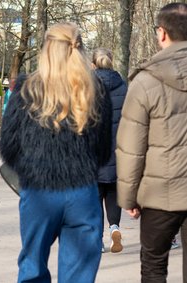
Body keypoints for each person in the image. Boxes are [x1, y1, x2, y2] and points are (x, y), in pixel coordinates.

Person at [0, 22, 112, 282]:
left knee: (33, 266)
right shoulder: (95, 91)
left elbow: (9, 146)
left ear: (46, 49)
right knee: (79, 273)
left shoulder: (27, 89)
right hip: (82, 192)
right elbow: (104, 150)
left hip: (39, 191)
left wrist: (32, 170)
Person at [116, 3, 187, 282]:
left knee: (154, 265)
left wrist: (128, 196)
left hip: (160, 192)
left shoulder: (145, 81)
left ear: (162, 33)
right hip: (163, 191)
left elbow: (131, 147)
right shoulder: (144, 79)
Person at [92, 48, 127, 253]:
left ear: (93, 64)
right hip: (117, 149)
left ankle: (98, 239)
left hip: (94, 151)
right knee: (113, 191)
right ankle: (115, 227)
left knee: (95, 196)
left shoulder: (86, 87)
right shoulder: (123, 86)